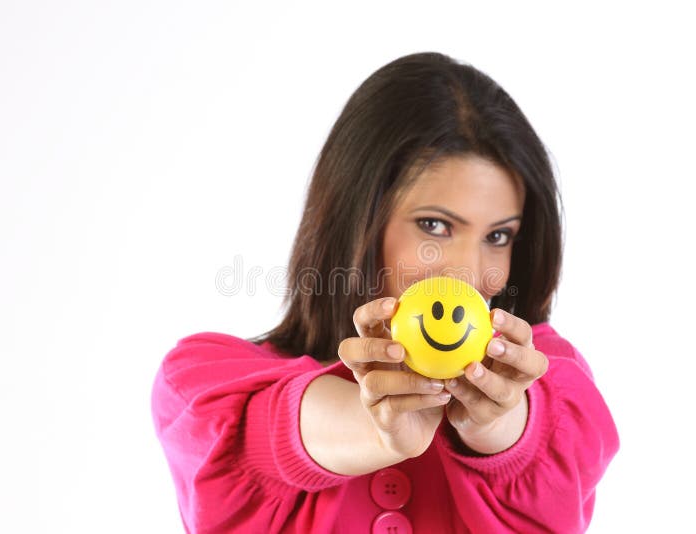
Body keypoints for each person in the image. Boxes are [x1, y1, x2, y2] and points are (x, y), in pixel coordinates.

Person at [150, 51, 619, 533]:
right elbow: (265, 435)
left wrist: (495, 423)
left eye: (497, 236)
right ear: (356, 220)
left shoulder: (554, 384)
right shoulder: (204, 386)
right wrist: (378, 426)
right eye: (434, 226)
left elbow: (547, 441)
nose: (466, 273)